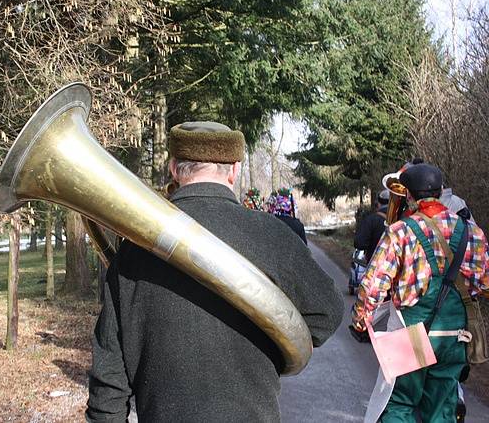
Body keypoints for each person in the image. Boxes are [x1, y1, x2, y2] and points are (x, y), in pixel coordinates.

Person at [86, 121, 344, 422]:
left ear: (173, 168)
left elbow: (108, 385)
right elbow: (327, 312)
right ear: (234, 170)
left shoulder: (133, 251)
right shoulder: (272, 236)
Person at [351, 163, 489, 422]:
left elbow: (372, 286)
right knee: (442, 408)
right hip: (454, 336)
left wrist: (360, 321)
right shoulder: (472, 231)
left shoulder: (400, 232)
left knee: (400, 405)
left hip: (409, 333)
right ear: (439, 192)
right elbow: (484, 283)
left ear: (410, 196)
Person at [353, 190, 389, 263]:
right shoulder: (403, 218)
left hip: (375, 265)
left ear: (378, 204)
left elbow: (359, 243)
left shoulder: (371, 220)